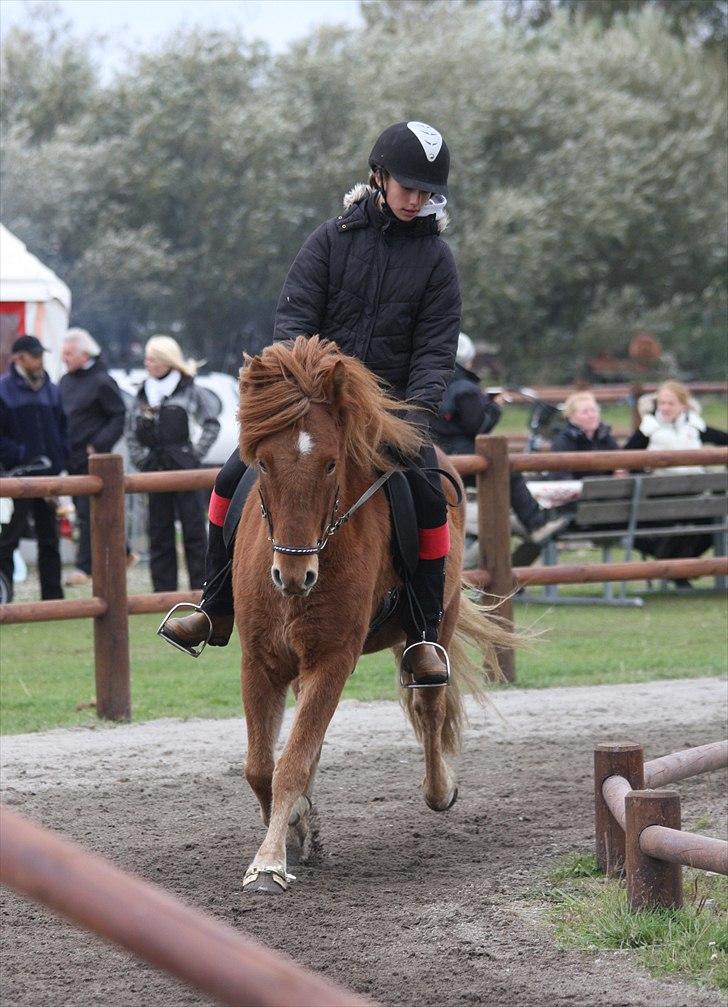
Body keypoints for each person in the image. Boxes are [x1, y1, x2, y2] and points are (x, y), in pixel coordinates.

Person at [163, 120, 461, 686]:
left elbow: (435, 347)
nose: (417, 199)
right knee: (231, 479)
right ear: (379, 177)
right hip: (316, 408)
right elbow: (294, 320)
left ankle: (423, 634)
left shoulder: (437, 262)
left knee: (427, 494)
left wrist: (416, 412)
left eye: (427, 192)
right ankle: (213, 604)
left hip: (390, 416)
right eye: (408, 187)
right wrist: (304, 389)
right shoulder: (330, 240)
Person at [430, 332, 569, 566]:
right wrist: (494, 409)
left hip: (439, 454)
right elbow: (477, 425)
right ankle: (537, 524)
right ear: (468, 358)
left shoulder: (433, 381)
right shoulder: (466, 387)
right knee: (507, 473)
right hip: (461, 455)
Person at [127, 335, 220, 593]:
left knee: (194, 531)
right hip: (153, 469)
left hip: (185, 468)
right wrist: (141, 459)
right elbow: (130, 431)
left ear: (166, 361)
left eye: (152, 358)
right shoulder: (142, 392)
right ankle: (163, 592)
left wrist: (195, 454)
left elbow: (211, 424)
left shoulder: (190, 389)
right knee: (158, 533)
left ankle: (202, 590)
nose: (147, 363)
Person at [623, 380, 728, 585]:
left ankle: (674, 567)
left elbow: (723, 439)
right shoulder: (648, 429)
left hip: (694, 498)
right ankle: (676, 568)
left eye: (670, 403)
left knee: (711, 522)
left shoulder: (695, 425)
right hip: (660, 500)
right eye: (661, 403)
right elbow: (626, 458)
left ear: (683, 404)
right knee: (687, 525)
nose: (665, 408)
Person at [0, 335, 69, 600]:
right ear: (18, 358)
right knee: (8, 541)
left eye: (40, 354)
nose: (39, 359)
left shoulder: (52, 390)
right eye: (34, 355)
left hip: (48, 477)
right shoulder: (4, 390)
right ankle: (5, 598)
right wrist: (21, 455)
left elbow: (63, 429)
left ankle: (54, 600)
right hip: (16, 478)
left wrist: (60, 459)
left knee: (50, 540)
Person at [59, 328, 127, 586]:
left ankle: (84, 566)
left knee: (90, 512)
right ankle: (126, 550)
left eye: (68, 353)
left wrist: (98, 444)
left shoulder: (101, 380)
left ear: (84, 354)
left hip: (94, 459)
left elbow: (118, 415)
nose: (64, 358)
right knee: (85, 511)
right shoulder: (65, 381)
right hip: (72, 457)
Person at [549, 391, 620, 478]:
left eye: (594, 410)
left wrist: (620, 470)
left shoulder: (604, 436)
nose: (591, 415)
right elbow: (560, 477)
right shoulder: (563, 441)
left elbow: (620, 462)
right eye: (585, 412)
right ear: (570, 416)